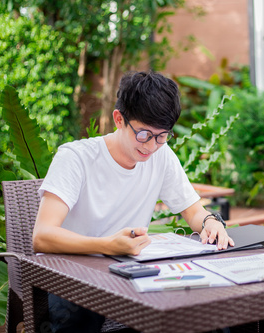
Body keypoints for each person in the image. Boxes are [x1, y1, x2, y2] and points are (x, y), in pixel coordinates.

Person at [33, 71, 234, 332]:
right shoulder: (76, 158)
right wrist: (107, 245)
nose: (151, 146)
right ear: (119, 119)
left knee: (206, 312)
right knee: (79, 317)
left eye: (162, 136)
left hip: (131, 273)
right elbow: (42, 235)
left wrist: (209, 222)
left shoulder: (162, 156)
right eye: (143, 134)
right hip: (72, 275)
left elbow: (193, 211)